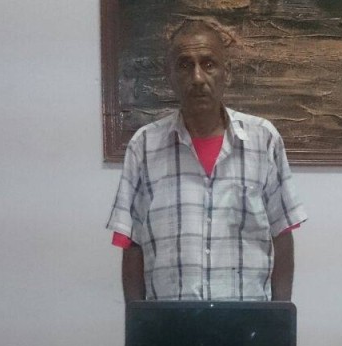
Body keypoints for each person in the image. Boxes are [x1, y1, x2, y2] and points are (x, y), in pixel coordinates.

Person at [106, 17, 307, 302]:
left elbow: (282, 237)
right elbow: (131, 244)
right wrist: (137, 325)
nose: (198, 77)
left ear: (227, 72)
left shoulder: (264, 140)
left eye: (209, 64)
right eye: (185, 65)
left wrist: (279, 322)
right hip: (170, 324)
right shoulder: (144, 147)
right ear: (169, 75)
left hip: (246, 323)